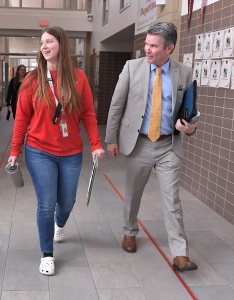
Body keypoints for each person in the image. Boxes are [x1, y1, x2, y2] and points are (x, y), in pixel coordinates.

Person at [8, 26, 105, 276]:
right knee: (46, 204)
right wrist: (14, 150)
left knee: (68, 201)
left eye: (49, 41)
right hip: (39, 151)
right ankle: (47, 254)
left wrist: (96, 144)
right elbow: (21, 119)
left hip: (71, 152)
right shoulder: (32, 80)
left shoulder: (78, 77)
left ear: (61, 44)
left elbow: (88, 114)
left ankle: (59, 224)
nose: (44, 46)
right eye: (42, 42)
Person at [105, 22, 199, 272]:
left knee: (172, 201)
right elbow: (116, 105)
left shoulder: (185, 73)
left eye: (153, 46)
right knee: (133, 194)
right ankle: (129, 231)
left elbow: (190, 113)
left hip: (169, 144)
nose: (147, 49)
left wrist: (189, 127)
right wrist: (111, 138)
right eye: (146, 44)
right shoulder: (131, 68)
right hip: (140, 143)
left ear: (169, 48)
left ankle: (180, 253)